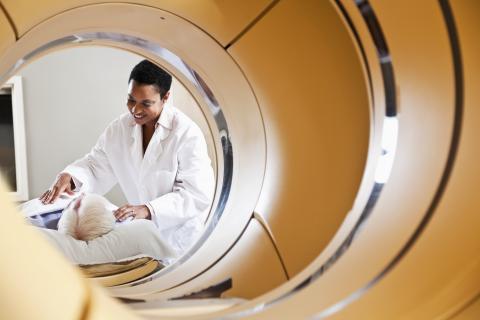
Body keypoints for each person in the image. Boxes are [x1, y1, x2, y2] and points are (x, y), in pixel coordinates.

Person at [39, 59, 215, 254]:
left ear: (165, 97)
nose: (135, 110)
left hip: (181, 237)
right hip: (142, 235)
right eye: (131, 100)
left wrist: (149, 210)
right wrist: (72, 177)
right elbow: (96, 164)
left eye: (146, 103)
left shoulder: (186, 133)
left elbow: (196, 194)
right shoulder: (119, 128)